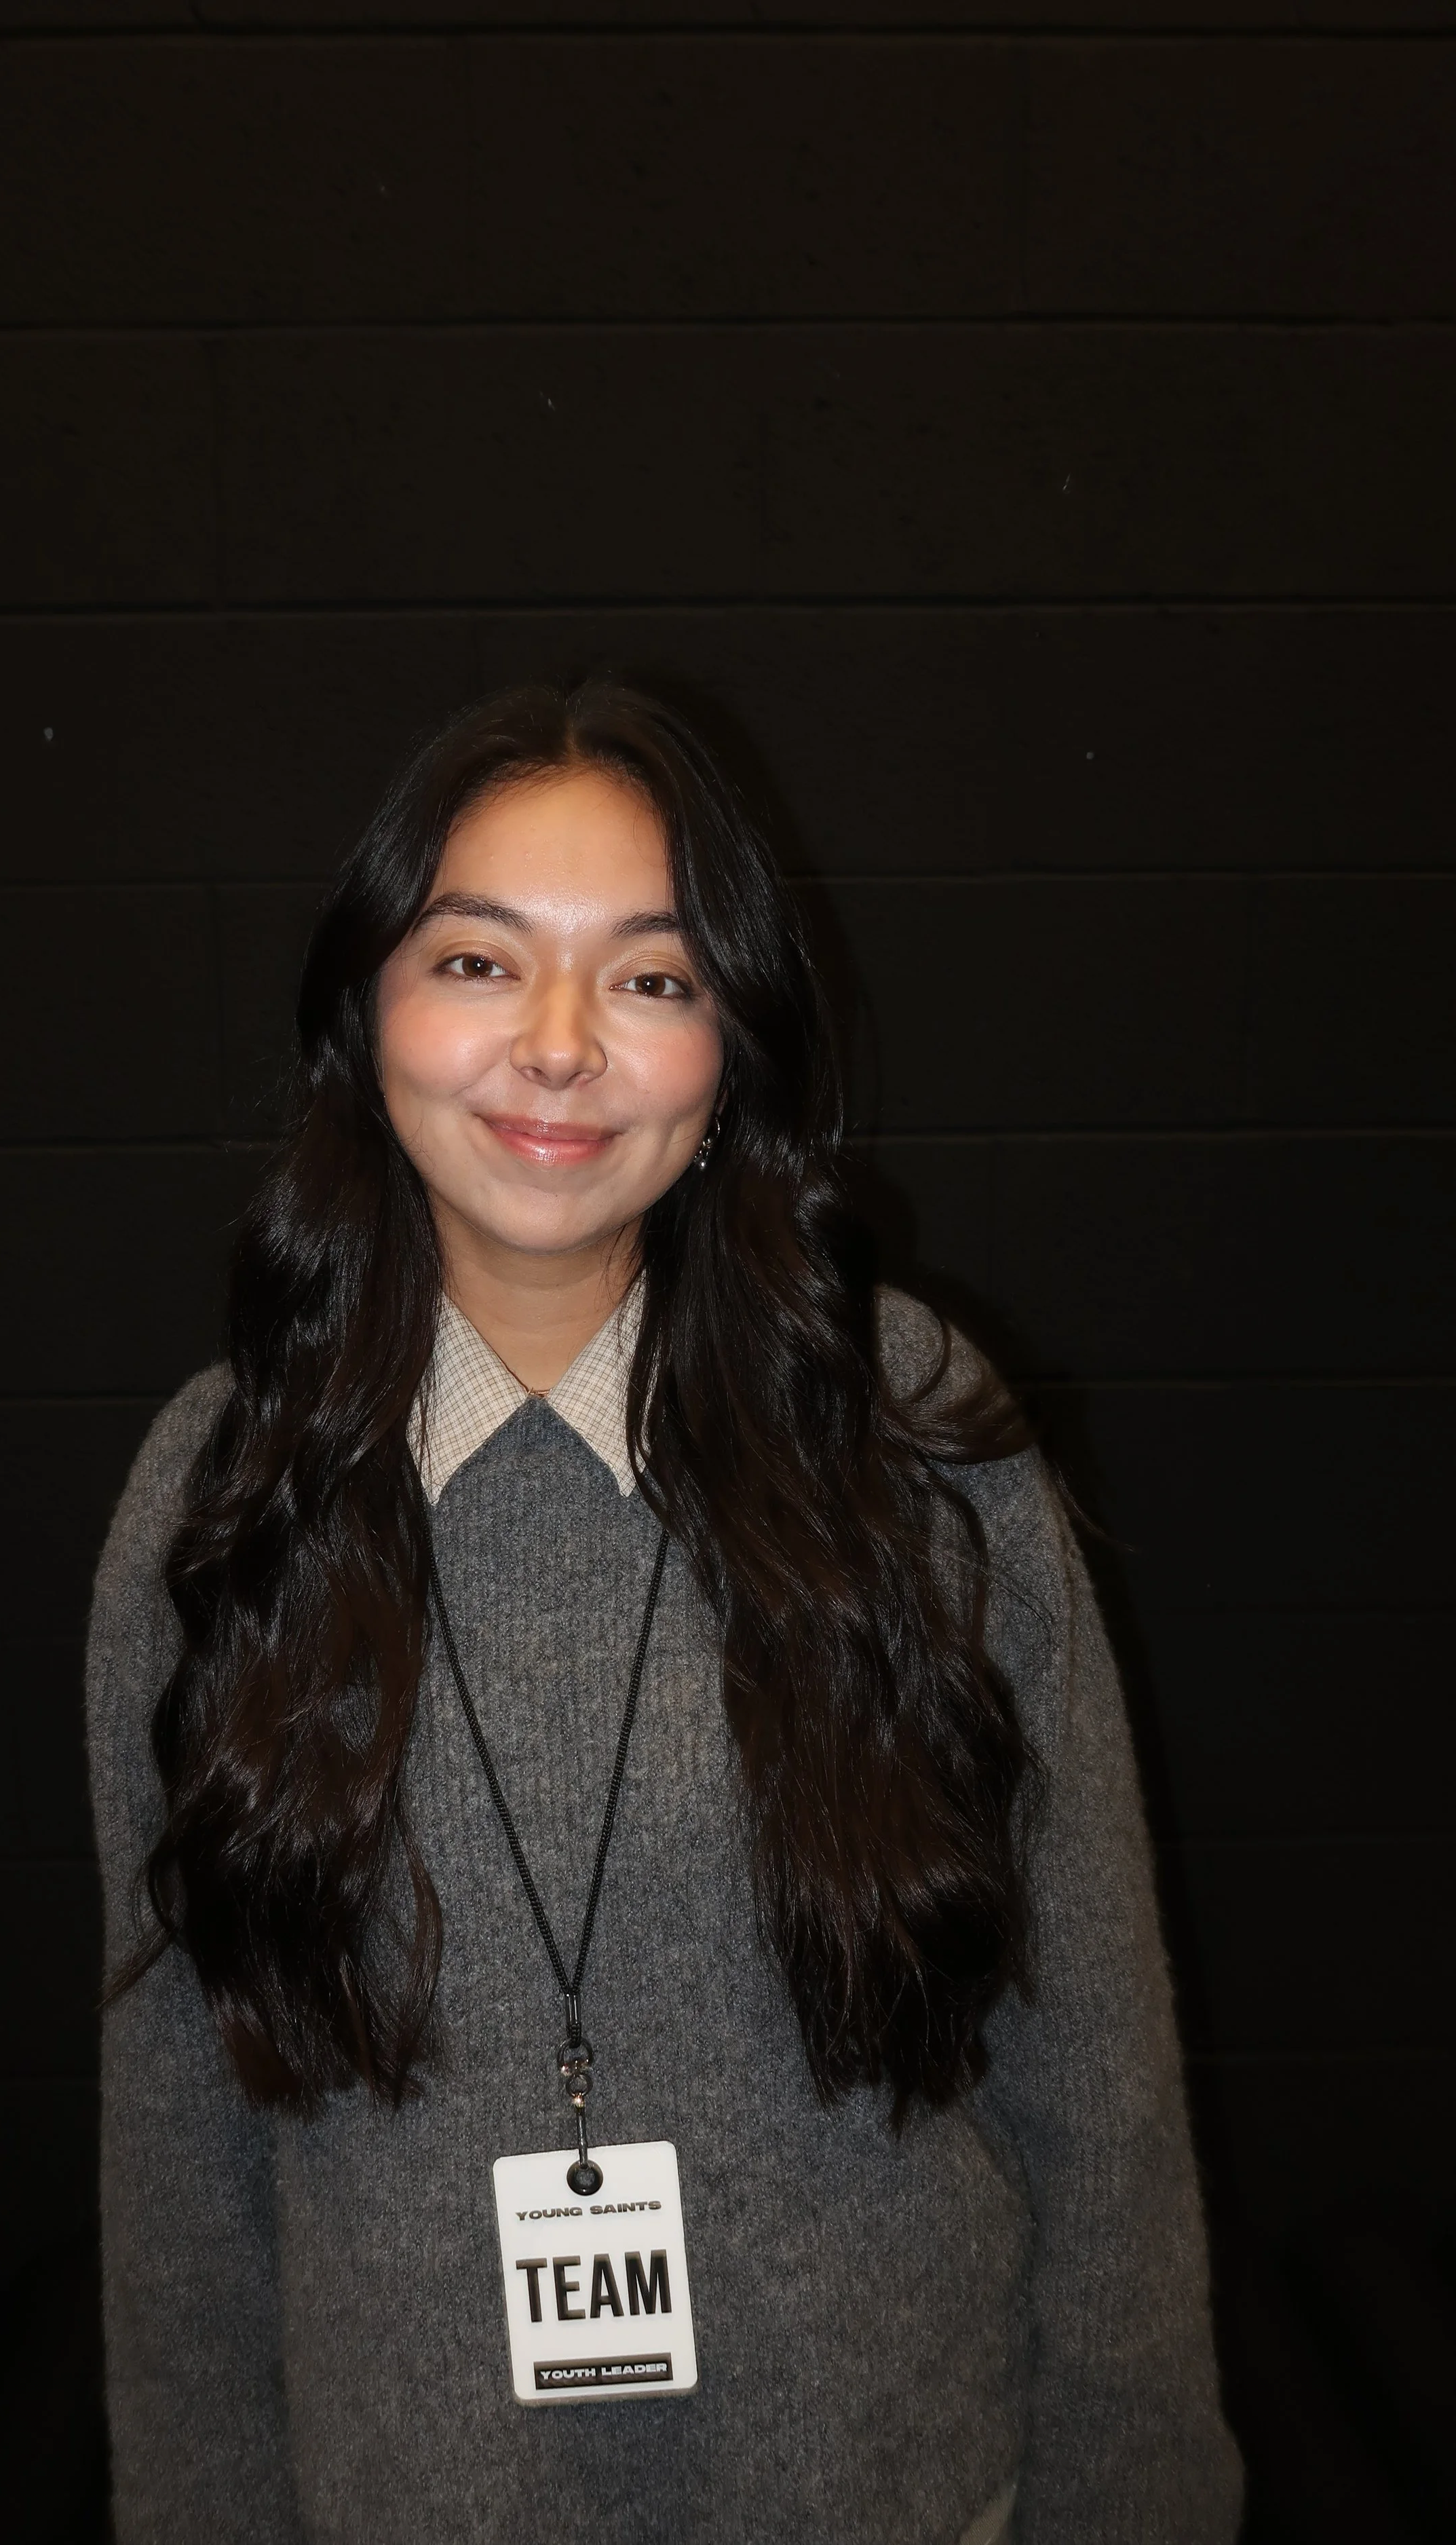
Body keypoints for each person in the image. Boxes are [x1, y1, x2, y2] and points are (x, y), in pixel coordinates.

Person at [87, 678, 1242, 2544]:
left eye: (649, 975)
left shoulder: (912, 1437)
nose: (557, 1048)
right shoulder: (219, 1497)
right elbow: (178, 2149)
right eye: (478, 961)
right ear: (368, 1012)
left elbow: (1095, 2064)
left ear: (731, 1044)